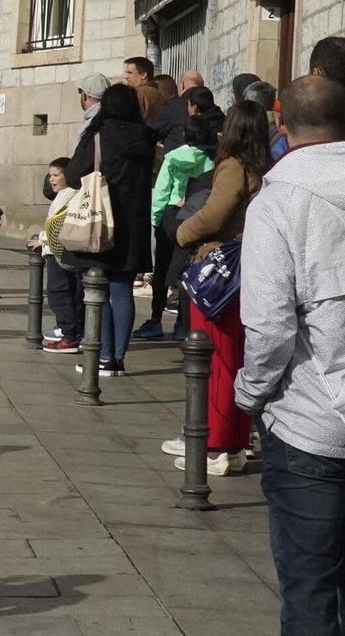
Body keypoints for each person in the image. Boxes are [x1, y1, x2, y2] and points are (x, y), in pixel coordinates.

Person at [234, 74, 345, 636]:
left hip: (310, 424)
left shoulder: (278, 201)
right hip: (313, 421)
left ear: (283, 124)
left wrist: (249, 395)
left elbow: (271, 326)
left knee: (310, 589)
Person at [161, 99, 272, 476]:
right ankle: (236, 443)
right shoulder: (265, 167)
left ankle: (215, 447)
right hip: (248, 269)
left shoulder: (233, 166)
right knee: (236, 357)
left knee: (216, 358)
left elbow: (213, 215)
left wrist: (182, 232)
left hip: (219, 270)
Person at [63, 83, 156, 377]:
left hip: (100, 222)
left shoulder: (99, 135)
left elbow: (73, 174)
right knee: (123, 289)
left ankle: (103, 355)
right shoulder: (146, 137)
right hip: (133, 224)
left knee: (97, 289)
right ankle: (117, 358)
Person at [142, 112, 217, 343]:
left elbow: (162, 190)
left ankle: (155, 319)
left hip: (169, 216)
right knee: (184, 271)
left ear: (185, 134)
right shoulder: (209, 162)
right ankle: (181, 324)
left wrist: (156, 219)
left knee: (161, 270)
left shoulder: (172, 157)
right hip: (192, 219)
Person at [32, 159, 83, 352]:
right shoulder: (74, 193)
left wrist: (42, 240)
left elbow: (56, 224)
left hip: (56, 252)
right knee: (74, 292)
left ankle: (68, 335)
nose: (51, 179)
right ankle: (76, 332)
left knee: (58, 293)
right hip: (68, 252)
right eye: (50, 175)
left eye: (56, 175)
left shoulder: (65, 195)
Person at [122, 56, 162, 124]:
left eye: (130, 73)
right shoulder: (158, 92)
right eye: (126, 73)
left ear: (143, 75)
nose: (126, 77)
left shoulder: (139, 92)